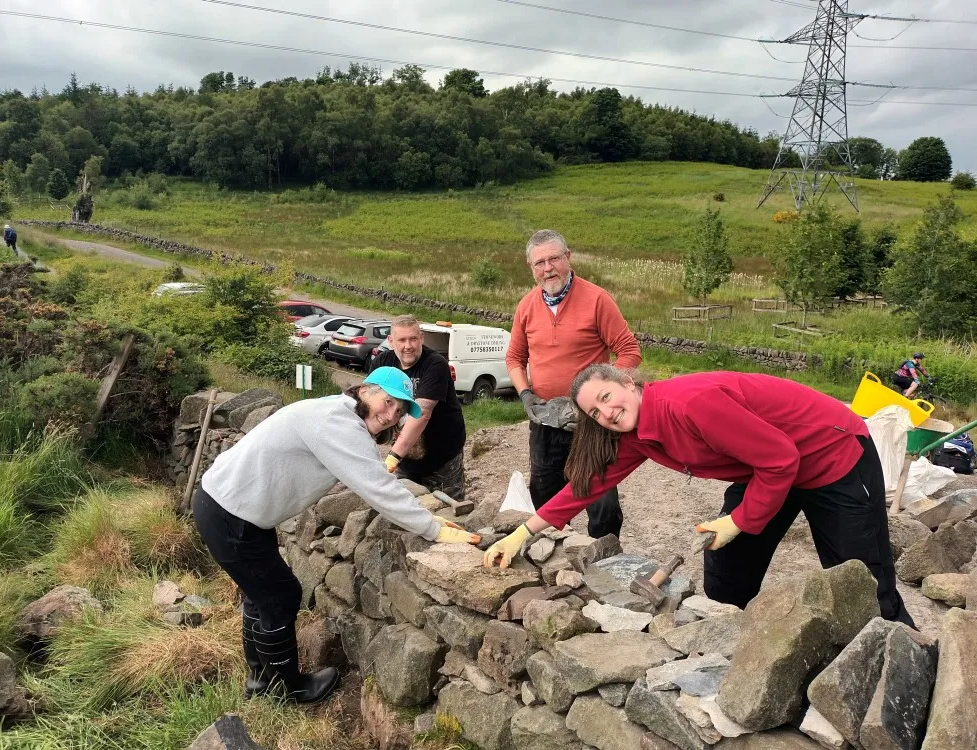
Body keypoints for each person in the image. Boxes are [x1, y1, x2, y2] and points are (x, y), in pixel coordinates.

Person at [483, 364, 914, 627]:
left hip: (831, 455)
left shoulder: (690, 404)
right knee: (727, 561)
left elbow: (782, 458)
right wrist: (523, 533)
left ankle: (902, 658)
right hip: (767, 463)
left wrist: (739, 521)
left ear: (628, 383)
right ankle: (725, 639)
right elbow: (587, 488)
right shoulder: (636, 434)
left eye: (607, 398)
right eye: (595, 412)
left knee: (860, 576)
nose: (607, 413)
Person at [193, 367, 480, 704]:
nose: (391, 415)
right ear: (365, 390)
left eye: (400, 411)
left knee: (262, 595)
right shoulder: (335, 422)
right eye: (388, 402)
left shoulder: (334, 413)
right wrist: (433, 528)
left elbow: (368, 474)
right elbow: (377, 487)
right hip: (231, 515)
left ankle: (260, 681)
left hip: (232, 509)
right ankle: (289, 689)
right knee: (281, 597)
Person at [507, 230, 640, 539]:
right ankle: (552, 562)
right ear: (531, 266)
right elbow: (514, 357)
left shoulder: (597, 299)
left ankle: (602, 561)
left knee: (602, 503)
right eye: (539, 262)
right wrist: (526, 394)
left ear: (568, 258)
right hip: (545, 421)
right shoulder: (526, 306)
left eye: (554, 258)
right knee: (543, 498)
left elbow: (630, 352)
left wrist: (600, 396)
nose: (548, 268)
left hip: (591, 422)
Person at [369, 315, 467, 500]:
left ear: (421, 338)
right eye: (402, 340)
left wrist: (392, 458)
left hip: (442, 456)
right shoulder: (382, 364)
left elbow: (421, 413)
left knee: (447, 508)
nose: (408, 346)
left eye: (413, 339)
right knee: (404, 508)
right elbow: (369, 405)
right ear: (391, 341)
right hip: (405, 457)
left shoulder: (435, 364)